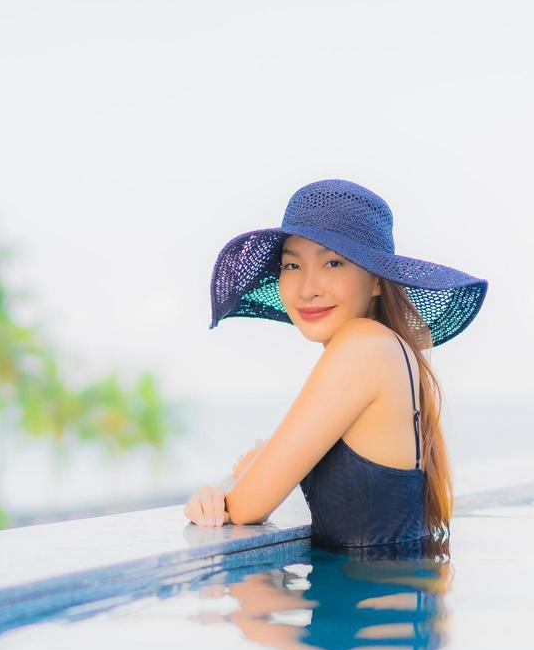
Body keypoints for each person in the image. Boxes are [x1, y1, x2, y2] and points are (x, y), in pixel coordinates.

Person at [184, 179, 488, 548]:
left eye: (333, 262)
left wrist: (225, 486)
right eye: (292, 265)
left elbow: (247, 507)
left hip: (366, 598)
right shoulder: (386, 349)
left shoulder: (363, 345)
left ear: (376, 280)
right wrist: (247, 473)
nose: (308, 287)